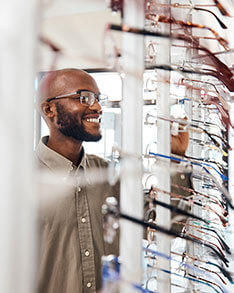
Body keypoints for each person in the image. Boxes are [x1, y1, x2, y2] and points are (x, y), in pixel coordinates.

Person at [36, 68, 191, 293]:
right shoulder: (17, 182)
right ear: (49, 109)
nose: (97, 107)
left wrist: (175, 159)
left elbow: (167, 225)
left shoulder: (108, 174)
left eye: (98, 99)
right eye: (84, 98)